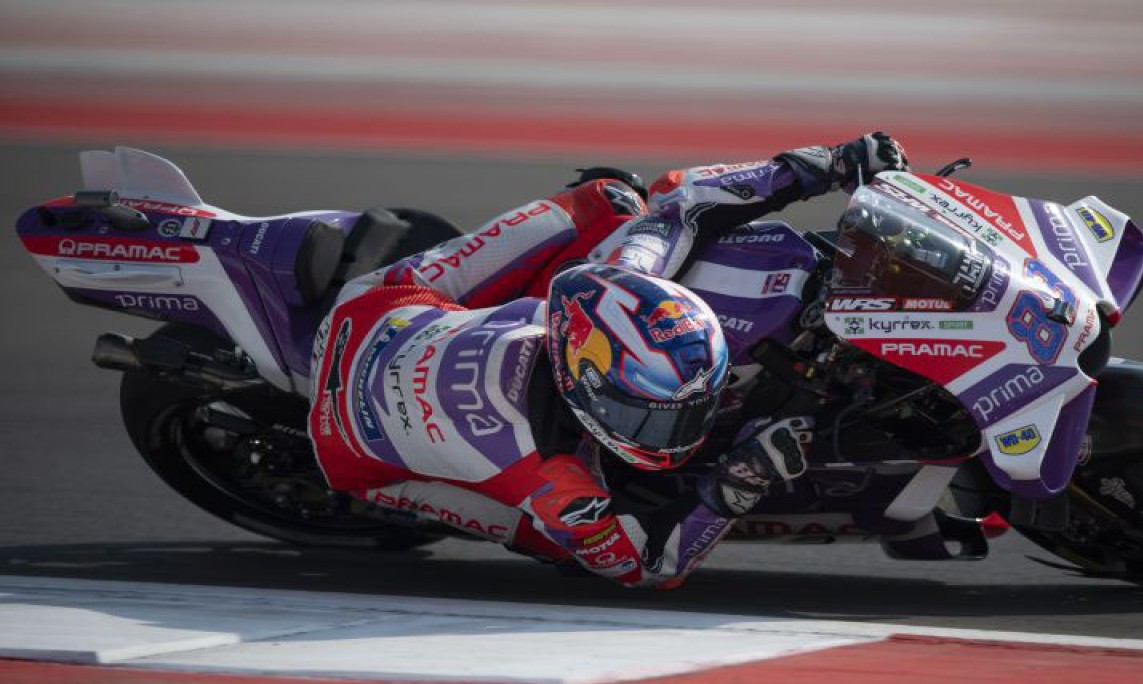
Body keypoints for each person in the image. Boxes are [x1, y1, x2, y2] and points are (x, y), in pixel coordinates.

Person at [307, 133, 909, 588]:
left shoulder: (624, 275)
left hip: (395, 314)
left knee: (610, 201)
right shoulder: (558, 480)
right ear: (587, 392)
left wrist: (819, 166)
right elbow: (648, 566)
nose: (683, 434)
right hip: (352, 438)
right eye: (656, 417)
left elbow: (683, 200)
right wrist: (739, 482)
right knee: (560, 545)